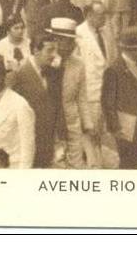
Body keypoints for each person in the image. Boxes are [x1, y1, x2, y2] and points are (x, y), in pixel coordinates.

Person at [101, 27, 137, 169]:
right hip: (125, 126)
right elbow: (108, 102)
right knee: (128, 162)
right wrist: (115, 127)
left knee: (136, 160)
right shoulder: (114, 70)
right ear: (131, 50)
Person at [8, 32, 61, 168]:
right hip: (26, 145)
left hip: (47, 145)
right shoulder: (19, 76)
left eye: (55, 50)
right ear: (36, 51)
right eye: (49, 50)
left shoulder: (54, 73)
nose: (54, 54)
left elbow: (56, 106)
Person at [48, 18, 92, 169]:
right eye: (66, 41)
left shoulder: (78, 64)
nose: (71, 46)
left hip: (72, 121)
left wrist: (87, 124)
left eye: (72, 41)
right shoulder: (45, 62)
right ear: (55, 41)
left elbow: (82, 97)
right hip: (49, 122)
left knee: (76, 164)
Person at [75, 2, 109, 167]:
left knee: (98, 132)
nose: (105, 18)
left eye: (105, 14)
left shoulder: (103, 33)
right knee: (90, 130)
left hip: (103, 91)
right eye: (101, 14)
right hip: (88, 91)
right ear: (89, 15)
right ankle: (92, 164)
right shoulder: (79, 35)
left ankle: (92, 160)